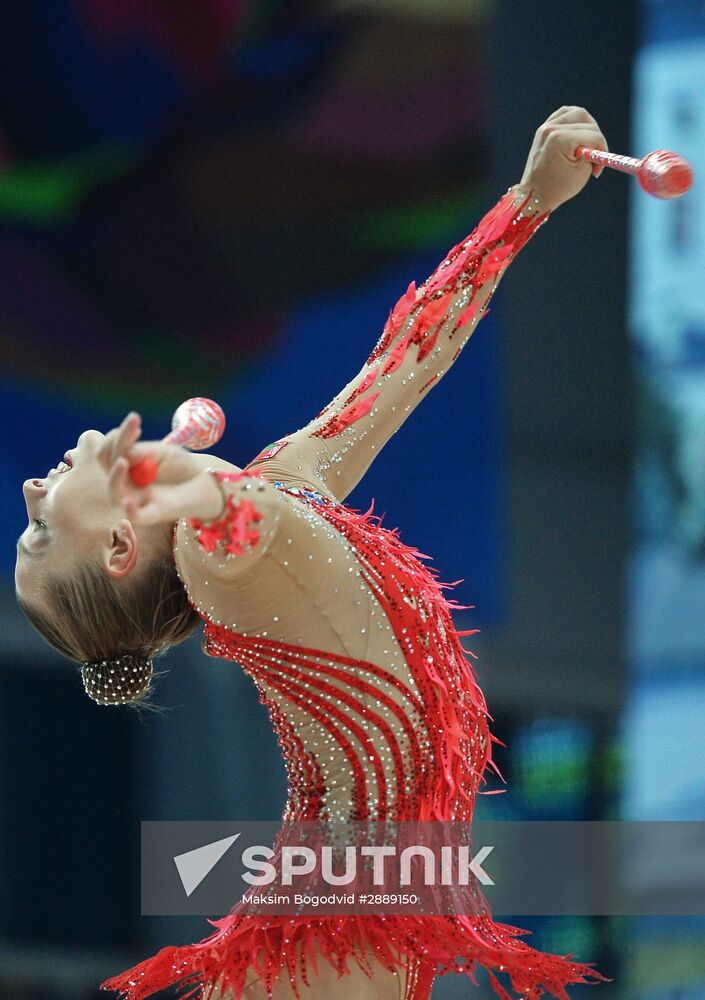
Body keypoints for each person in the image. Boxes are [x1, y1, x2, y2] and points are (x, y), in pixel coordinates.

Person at [15, 106, 611, 1000]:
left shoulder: (284, 480)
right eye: (37, 531)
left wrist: (527, 203)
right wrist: (194, 493)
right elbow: (236, 529)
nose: (30, 490)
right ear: (118, 544)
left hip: (342, 916)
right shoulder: (220, 563)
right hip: (336, 927)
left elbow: (408, 356)